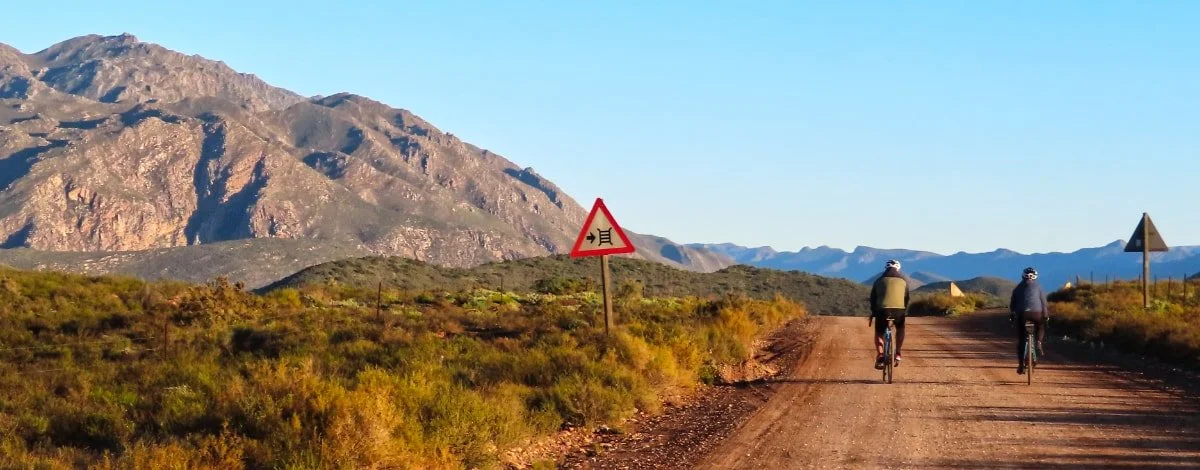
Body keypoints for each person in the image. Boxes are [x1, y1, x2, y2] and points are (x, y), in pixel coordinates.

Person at [869, 259, 910, 369]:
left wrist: (873, 312)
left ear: (886, 268)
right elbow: (906, 298)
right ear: (898, 269)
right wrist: (903, 311)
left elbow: (873, 298)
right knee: (900, 328)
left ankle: (881, 354)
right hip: (899, 311)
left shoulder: (879, 280)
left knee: (879, 332)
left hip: (882, 310)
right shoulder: (904, 281)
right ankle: (898, 352)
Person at [1009, 266, 1049, 375]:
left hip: (1022, 314)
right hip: (1037, 313)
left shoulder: (1017, 288)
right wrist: (1046, 316)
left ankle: (1021, 365)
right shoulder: (1039, 287)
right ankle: (1039, 342)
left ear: (1023, 276)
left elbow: (1013, 305)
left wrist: (1013, 315)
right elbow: (1044, 304)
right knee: (1040, 326)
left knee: (1022, 339)